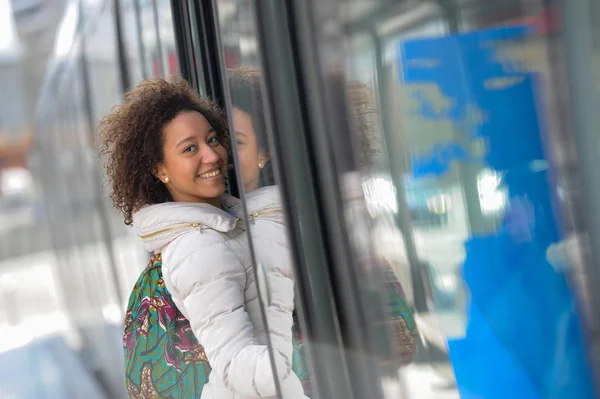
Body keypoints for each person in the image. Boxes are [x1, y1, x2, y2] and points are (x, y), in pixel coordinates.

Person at [100, 76, 306, 398]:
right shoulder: (198, 246)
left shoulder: (226, 227)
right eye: (190, 149)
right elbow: (235, 361)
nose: (211, 156)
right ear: (159, 169)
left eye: (212, 140)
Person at [227, 68, 417, 396]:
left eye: (236, 142)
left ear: (265, 153)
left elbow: (400, 334)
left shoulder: (316, 228)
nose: (217, 157)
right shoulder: (194, 245)